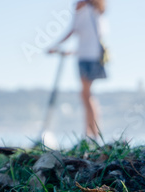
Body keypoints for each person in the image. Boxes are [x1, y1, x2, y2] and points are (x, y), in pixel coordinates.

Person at [49, 0, 107, 140]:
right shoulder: (98, 12)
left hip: (86, 58)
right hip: (93, 57)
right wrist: (75, 51)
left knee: (86, 95)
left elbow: (73, 31)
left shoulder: (83, 9)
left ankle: (92, 134)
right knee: (87, 95)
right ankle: (91, 133)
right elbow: (93, 37)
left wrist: (55, 45)